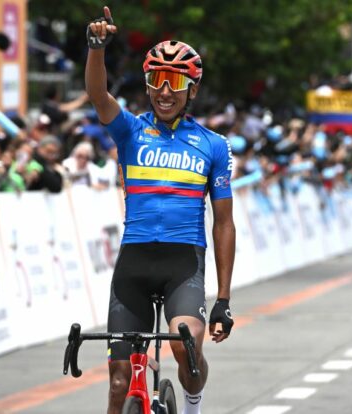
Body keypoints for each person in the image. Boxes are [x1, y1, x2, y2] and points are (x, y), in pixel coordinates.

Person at [86, 7, 236, 414]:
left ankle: (191, 406)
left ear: (192, 89)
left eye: (175, 82)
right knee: (119, 381)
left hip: (183, 264)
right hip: (134, 263)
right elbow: (98, 96)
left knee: (185, 350)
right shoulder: (131, 131)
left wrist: (222, 298)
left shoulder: (213, 145)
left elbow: (223, 224)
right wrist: (96, 49)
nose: (164, 91)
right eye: (156, 80)